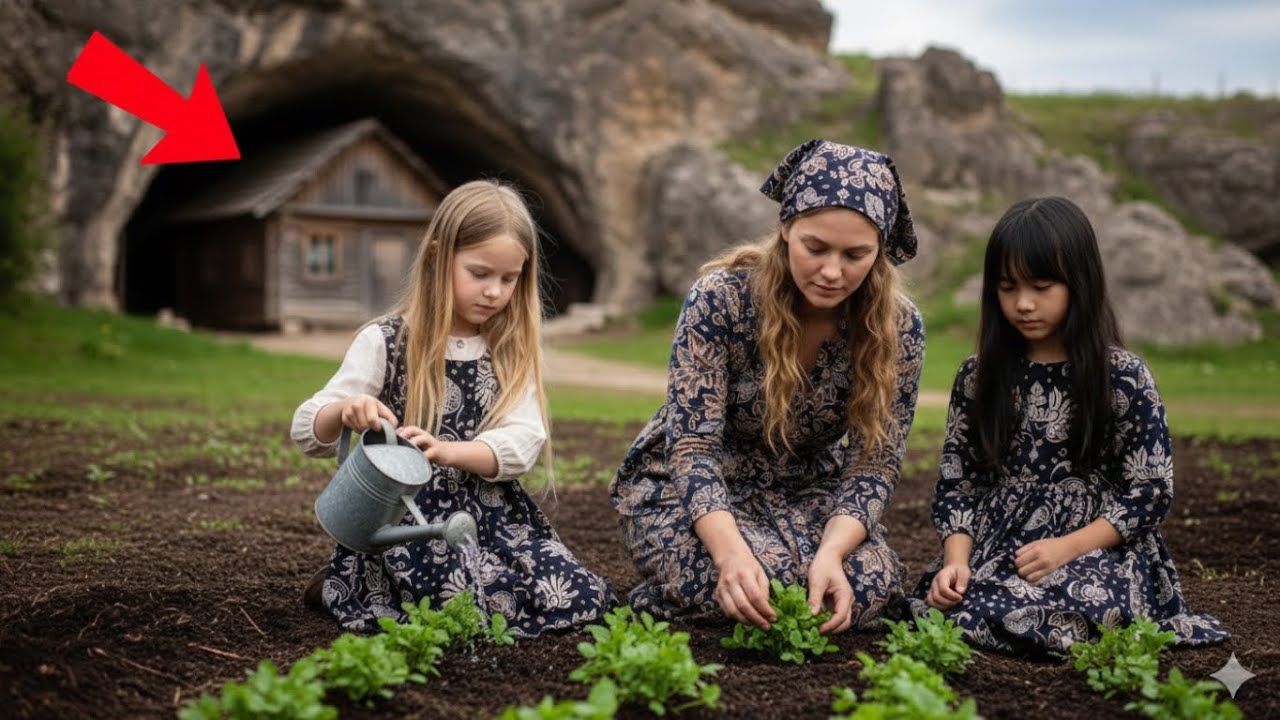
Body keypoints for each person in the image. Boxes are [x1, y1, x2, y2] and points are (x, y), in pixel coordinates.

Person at [610, 139, 925, 634]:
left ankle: (705, 590)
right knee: (759, 583)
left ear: (881, 251)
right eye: (814, 247)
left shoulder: (900, 328)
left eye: (856, 254)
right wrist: (731, 554)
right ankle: (674, 589)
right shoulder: (719, 300)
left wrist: (832, 553)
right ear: (785, 228)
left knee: (869, 586)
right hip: (690, 489)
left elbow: (874, 465)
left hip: (804, 490)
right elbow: (692, 449)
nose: (831, 271)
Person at [292, 179, 614, 636]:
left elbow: (523, 443)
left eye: (509, 278)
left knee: (579, 594)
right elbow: (307, 429)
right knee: (454, 603)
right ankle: (344, 584)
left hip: (495, 519)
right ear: (438, 257)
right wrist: (347, 409)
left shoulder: (507, 349)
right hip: (408, 520)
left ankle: (353, 589)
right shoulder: (386, 342)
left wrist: (448, 451)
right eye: (480, 273)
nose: (495, 292)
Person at [911, 196, 1228, 652]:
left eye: (1041, 287)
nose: (1023, 304)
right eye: (1007, 287)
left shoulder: (1122, 377)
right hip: (1003, 548)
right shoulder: (979, 376)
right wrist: (954, 563)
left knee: (1080, 606)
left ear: (1079, 282)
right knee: (956, 602)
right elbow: (961, 483)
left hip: (1098, 550)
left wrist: (1067, 547)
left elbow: (1150, 492)